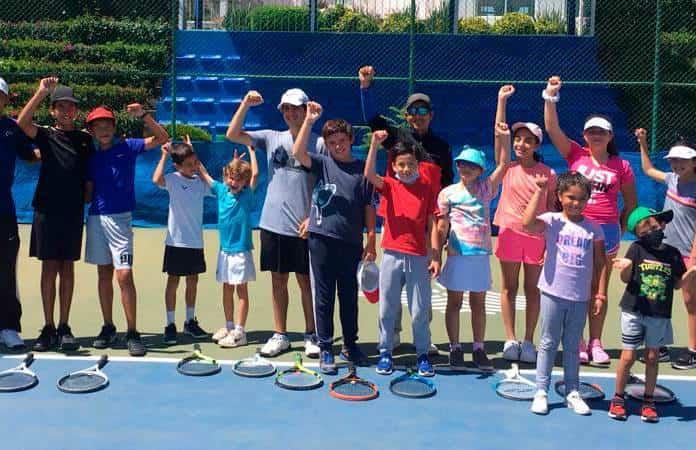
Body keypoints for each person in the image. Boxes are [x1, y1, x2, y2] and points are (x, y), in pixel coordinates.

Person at [544, 76, 637, 365]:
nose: (596, 135)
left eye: (602, 131)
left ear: (610, 136)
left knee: (599, 287)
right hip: (574, 229)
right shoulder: (575, 155)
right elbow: (551, 128)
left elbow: (631, 203)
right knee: (577, 285)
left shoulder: (621, 165)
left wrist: (619, 229)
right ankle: (578, 340)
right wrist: (550, 96)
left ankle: (596, 342)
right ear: (584, 135)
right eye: (591, 131)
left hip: (606, 232)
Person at [226, 88, 324, 357]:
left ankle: (311, 334)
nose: (291, 113)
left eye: (296, 108)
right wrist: (245, 103)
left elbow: (327, 187)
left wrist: (313, 216)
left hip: (305, 228)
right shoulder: (271, 137)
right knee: (278, 281)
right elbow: (232, 134)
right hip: (273, 224)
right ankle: (280, 334)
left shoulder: (318, 144)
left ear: (306, 110)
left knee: (306, 282)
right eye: (286, 109)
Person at [359, 66, 449, 354]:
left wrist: (441, 226)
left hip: (427, 224)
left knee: (421, 286)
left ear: (430, 115)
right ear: (407, 116)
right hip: (397, 223)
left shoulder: (441, 147)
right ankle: (393, 334)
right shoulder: (396, 137)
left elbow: (445, 188)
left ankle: (424, 337)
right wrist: (366, 87)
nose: (418, 115)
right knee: (393, 285)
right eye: (413, 111)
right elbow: (372, 119)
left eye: (423, 110)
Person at [292, 101, 377, 374]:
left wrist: (371, 240)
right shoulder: (321, 163)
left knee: (349, 296)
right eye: (332, 142)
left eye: (342, 140)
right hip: (320, 239)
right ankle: (326, 347)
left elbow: (368, 207)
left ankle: (350, 345)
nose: (338, 145)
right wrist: (309, 120)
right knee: (325, 295)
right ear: (326, 145)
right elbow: (297, 152)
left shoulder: (363, 170)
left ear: (351, 140)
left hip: (351, 243)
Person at [17, 77, 94, 352]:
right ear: (52, 111)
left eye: (70, 106)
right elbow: (22, 123)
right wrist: (40, 92)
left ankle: (64, 326)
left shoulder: (86, 139)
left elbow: (88, 177)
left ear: (75, 111)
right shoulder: (46, 135)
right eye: (60, 106)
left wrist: (84, 199)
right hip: (46, 211)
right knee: (49, 268)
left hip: (72, 214)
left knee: (67, 268)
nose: (66, 110)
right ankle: (48, 327)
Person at [85, 104, 169, 356]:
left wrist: (144, 115)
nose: (103, 129)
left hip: (121, 221)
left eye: (107, 124)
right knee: (103, 274)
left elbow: (163, 138)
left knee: (123, 276)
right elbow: (88, 192)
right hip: (97, 219)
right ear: (91, 131)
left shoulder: (129, 146)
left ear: (114, 127)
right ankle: (109, 326)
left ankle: (132, 331)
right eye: (97, 126)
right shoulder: (90, 157)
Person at [523, 171, 606, 415]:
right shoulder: (552, 220)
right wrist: (539, 191)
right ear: (559, 196)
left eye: (581, 199)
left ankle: (573, 392)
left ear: (588, 200)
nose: (576, 203)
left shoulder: (594, 229)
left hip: (580, 297)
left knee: (572, 345)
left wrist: (599, 294)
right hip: (552, 293)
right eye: (570, 197)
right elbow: (526, 223)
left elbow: (601, 264)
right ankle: (541, 391)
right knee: (548, 342)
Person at [434, 121, 510, 371]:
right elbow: (441, 225)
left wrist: (504, 136)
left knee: (478, 304)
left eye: (471, 165)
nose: (465, 168)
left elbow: (504, 164)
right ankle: (455, 348)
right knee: (454, 302)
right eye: (461, 164)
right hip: (456, 255)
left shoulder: (486, 189)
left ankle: (478, 348)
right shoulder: (447, 194)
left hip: (479, 256)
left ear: (480, 170)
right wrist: (436, 253)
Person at [364, 130, 440, 377]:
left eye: (410, 164)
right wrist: (375, 144)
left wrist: (434, 254)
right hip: (392, 256)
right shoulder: (390, 185)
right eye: (401, 165)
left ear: (417, 164)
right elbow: (368, 174)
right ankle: (385, 351)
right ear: (394, 166)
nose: (406, 169)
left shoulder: (426, 187)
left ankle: (422, 354)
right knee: (387, 308)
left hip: (418, 256)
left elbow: (431, 222)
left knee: (419, 310)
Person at [609, 206, 694, 422]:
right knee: (627, 357)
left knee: (653, 357)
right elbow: (626, 279)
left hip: (659, 315)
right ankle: (618, 399)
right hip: (633, 311)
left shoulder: (673, 254)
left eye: (657, 225)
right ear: (638, 234)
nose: (654, 230)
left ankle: (648, 401)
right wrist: (626, 267)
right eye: (646, 229)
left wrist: (691, 273)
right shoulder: (636, 249)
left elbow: (676, 284)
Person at [493, 84, 556, 363]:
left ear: (537, 145)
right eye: (517, 139)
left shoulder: (548, 173)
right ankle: (510, 339)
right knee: (508, 288)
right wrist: (501, 100)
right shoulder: (506, 166)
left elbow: (553, 209)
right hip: (508, 233)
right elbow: (499, 130)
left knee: (533, 290)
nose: (520, 144)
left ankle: (529, 341)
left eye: (527, 140)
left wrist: (549, 243)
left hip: (535, 238)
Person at [636, 128, 696, 369]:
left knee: (691, 302)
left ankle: (693, 350)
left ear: (694, 161)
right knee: (659, 298)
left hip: (689, 253)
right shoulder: (671, 179)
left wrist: (693, 258)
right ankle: (659, 346)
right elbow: (648, 170)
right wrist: (642, 143)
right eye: (674, 160)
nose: (678, 164)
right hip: (666, 251)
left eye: (683, 160)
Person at [197, 145, 259, 348]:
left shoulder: (247, 196)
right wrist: (191, 151)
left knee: (241, 290)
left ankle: (240, 332)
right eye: (231, 178)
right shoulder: (222, 190)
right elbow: (203, 173)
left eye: (238, 179)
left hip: (240, 252)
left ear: (245, 182)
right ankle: (230, 326)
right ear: (226, 177)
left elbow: (255, 174)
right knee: (226, 288)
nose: (233, 182)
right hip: (224, 252)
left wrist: (251, 152)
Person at [153, 139, 212, 345]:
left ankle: (190, 321)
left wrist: (194, 156)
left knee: (193, 281)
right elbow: (156, 179)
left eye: (194, 163)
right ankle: (170, 324)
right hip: (175, 242)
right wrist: (163, 155)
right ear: (177, 166)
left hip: (195, 242)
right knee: (173, 281)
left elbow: (212, 183)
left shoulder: (201, 183)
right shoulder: (172, 178)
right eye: (188, 164)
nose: (193, 167)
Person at [0, 76, 38, 350]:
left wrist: (56, 149)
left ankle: (9, 327)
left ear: (5, 99)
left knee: (6, 272)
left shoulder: (12, 129)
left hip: (4, 213)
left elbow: (32, 153)